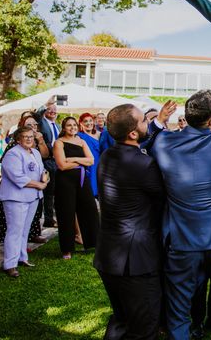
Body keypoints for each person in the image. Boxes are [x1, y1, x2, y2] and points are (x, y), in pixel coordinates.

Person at [152, 90, 211, 340]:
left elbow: (149, 140)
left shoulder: (163, 143)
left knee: (178, 307)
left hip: (182, 240)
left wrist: (159, 122)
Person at [94, 104, 165, 339]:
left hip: (108, 255)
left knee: (121, 319)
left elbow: (135, 149)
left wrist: (158, 123)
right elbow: (163, 199)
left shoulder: (107, 156)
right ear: (133, 133)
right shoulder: (144, 165)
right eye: (144, 120)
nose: (147, 122)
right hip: (135, 261)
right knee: (144, 326)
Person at [0, 127, 49, 277]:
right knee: (15, 230)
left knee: (24, 229)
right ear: (18, 139)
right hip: (16, 197)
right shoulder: (12, 154)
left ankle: (22, 258)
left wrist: (45, 176)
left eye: (31, 137)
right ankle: (9, 264)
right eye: (25, 137)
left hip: (32, 196)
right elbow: (17, 176)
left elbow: (42, 170)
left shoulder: (35, 153)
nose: (29, 139)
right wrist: (39, 184)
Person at [53, 116, 98, 260]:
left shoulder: (82, 141)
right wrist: (81, 162)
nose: (72, 128)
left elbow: (91, 160)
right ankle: (66, 249)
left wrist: (73, 159)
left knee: (90, 209)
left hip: (82, 180)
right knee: (66, 213)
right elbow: (62, 165)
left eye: (74, 125)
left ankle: (93, 243)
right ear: (64, 128)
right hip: (65, 182)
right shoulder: (59, 142)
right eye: (69, 125)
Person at [36, 97, 60, 228]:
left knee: (56, 190)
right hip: (46, 160)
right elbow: (37, 114)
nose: (52, 112)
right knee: (48, 192)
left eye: (54, 110)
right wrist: (47, 104)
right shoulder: (41, 122)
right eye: (50, 110)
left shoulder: (57, 125)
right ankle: (48, 219)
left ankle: (55, 216)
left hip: (57, 160)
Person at [77, 113, 101, 197]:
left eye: (90, 120)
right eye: (85, 121)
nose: (89, 123)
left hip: (99, 163)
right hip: (87, 164)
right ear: (81, 123)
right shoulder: (79, 136)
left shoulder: (99, 134)